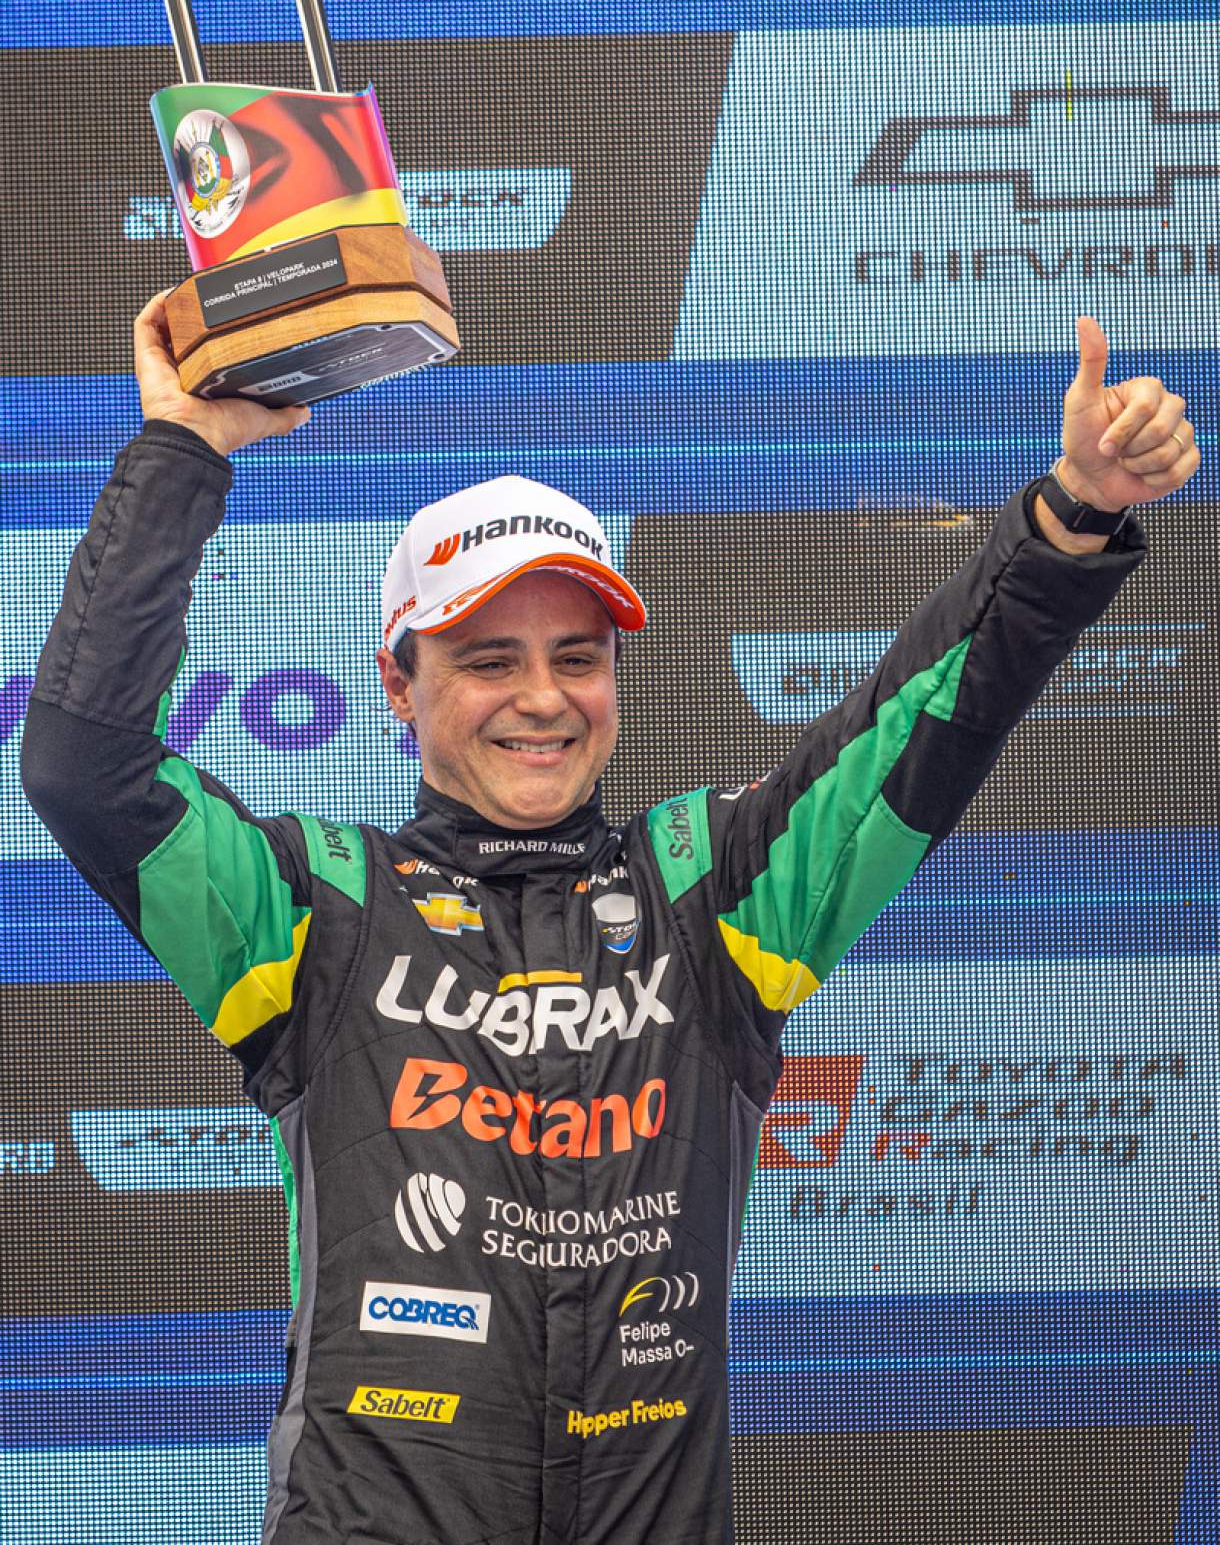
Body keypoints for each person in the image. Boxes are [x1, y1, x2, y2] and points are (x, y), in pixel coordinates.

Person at [22, 293, 1199, 1545]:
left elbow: (915, 723)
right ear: (397, 687)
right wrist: (184, 448)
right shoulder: (314, 908)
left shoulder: (713, 894)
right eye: (488, 660)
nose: (541, 699)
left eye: (576, 657)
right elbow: (84, 765)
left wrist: (1072, 515)